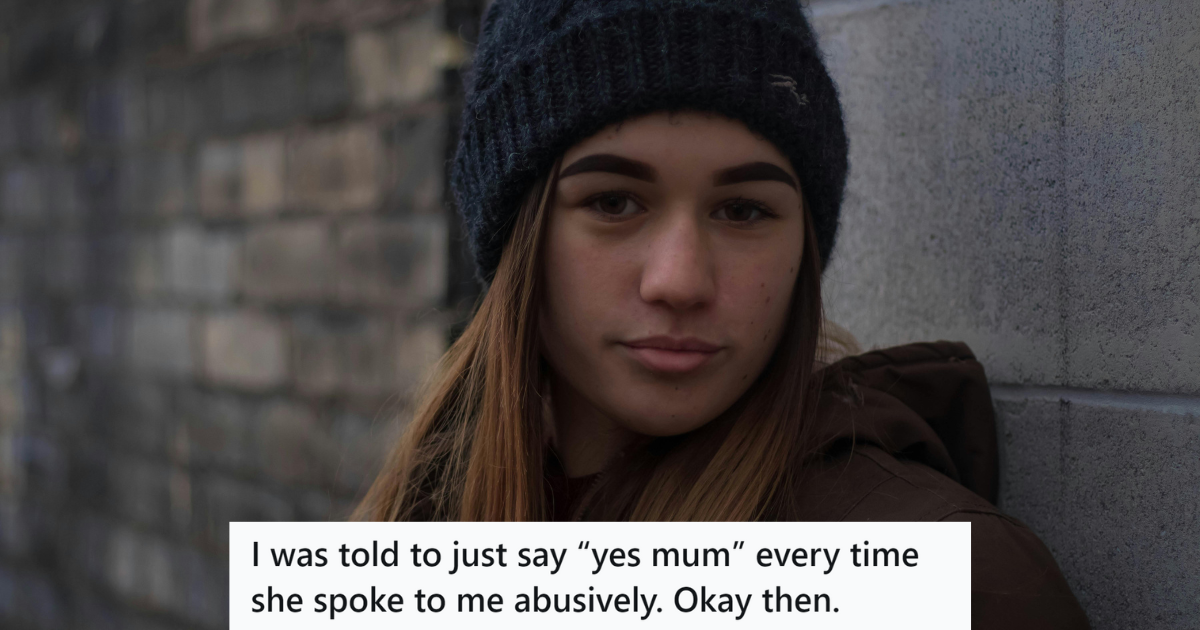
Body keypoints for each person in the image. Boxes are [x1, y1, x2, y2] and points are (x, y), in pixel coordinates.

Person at [355, 0, 1090, 626]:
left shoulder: (956, 587)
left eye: (743, 210)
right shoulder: (418, 519)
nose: (679, 281)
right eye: (613, 202)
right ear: (518, 237)